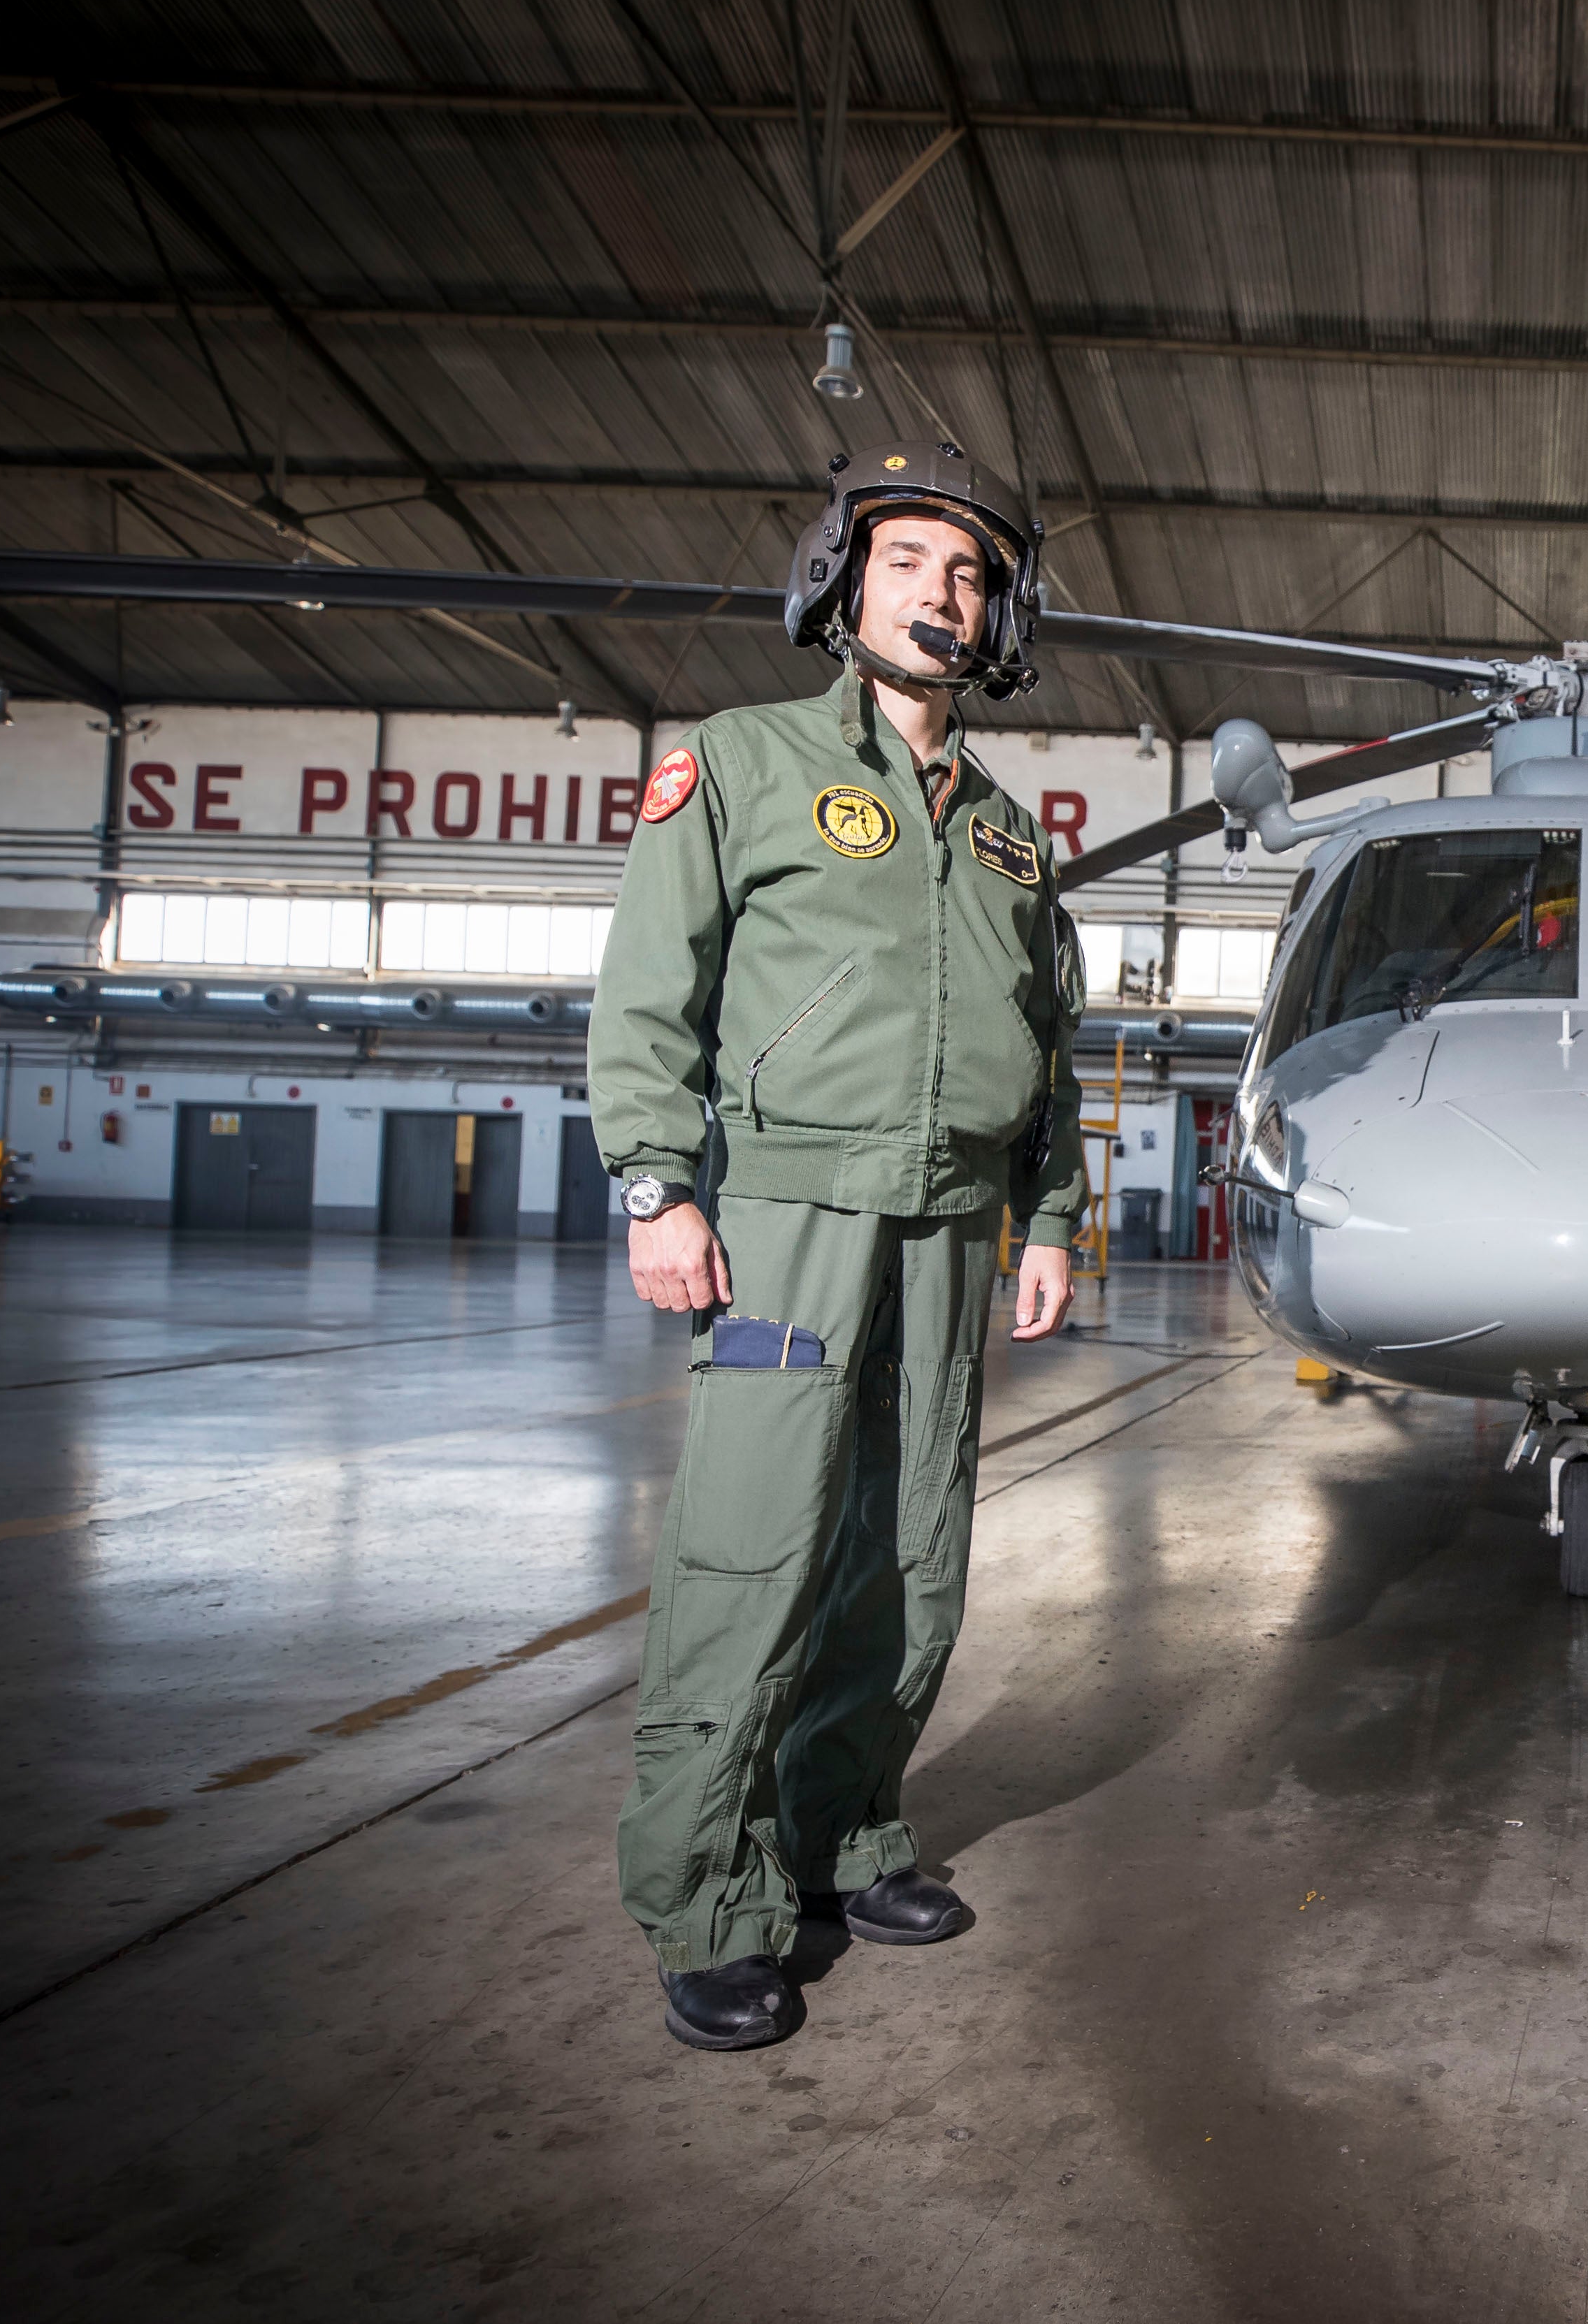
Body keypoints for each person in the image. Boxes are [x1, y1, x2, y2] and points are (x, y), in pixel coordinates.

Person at [590, 440, 1088, 2049]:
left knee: (907, 1556)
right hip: (788, 1216)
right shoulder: (736, 765)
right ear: (840, 580)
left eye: (967, 572)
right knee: (752, 1553)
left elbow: (1052, 1050)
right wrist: (657, 1183)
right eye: (907, 562)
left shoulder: (1011, 836)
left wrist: (1052, 1218)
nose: (940, 591)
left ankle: (842, 1837)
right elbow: (650, 988)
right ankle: (705, 1896)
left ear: (994, 614)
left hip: (951, 1225)